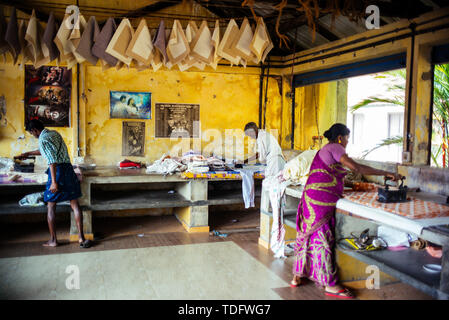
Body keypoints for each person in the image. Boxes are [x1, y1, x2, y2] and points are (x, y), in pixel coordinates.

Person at [290, 123, 402, 298]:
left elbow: (330, 174)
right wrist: (385, 173)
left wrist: (355, 185)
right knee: (322, 238)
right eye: (347, 138)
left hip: (311, 198)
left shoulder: (326, 149)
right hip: (321, 200)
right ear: (341, 137)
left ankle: (297, 276)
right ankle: (330, 285)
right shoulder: (336, 147)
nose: (347, 142)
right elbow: (356, 168)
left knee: (307, 235)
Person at [16, 120, 91, 248]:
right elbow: (46, 151)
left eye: (31, 133)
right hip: (68, 169)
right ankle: (81, 239)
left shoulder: (42, 139)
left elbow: (52, 160)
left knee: (51, 206)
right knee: (74, 203)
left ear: (34, 130)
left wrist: (54, 182)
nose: (32, 135)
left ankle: (53, 240)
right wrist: (28, 153)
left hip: (57, 172)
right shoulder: (54, 134)